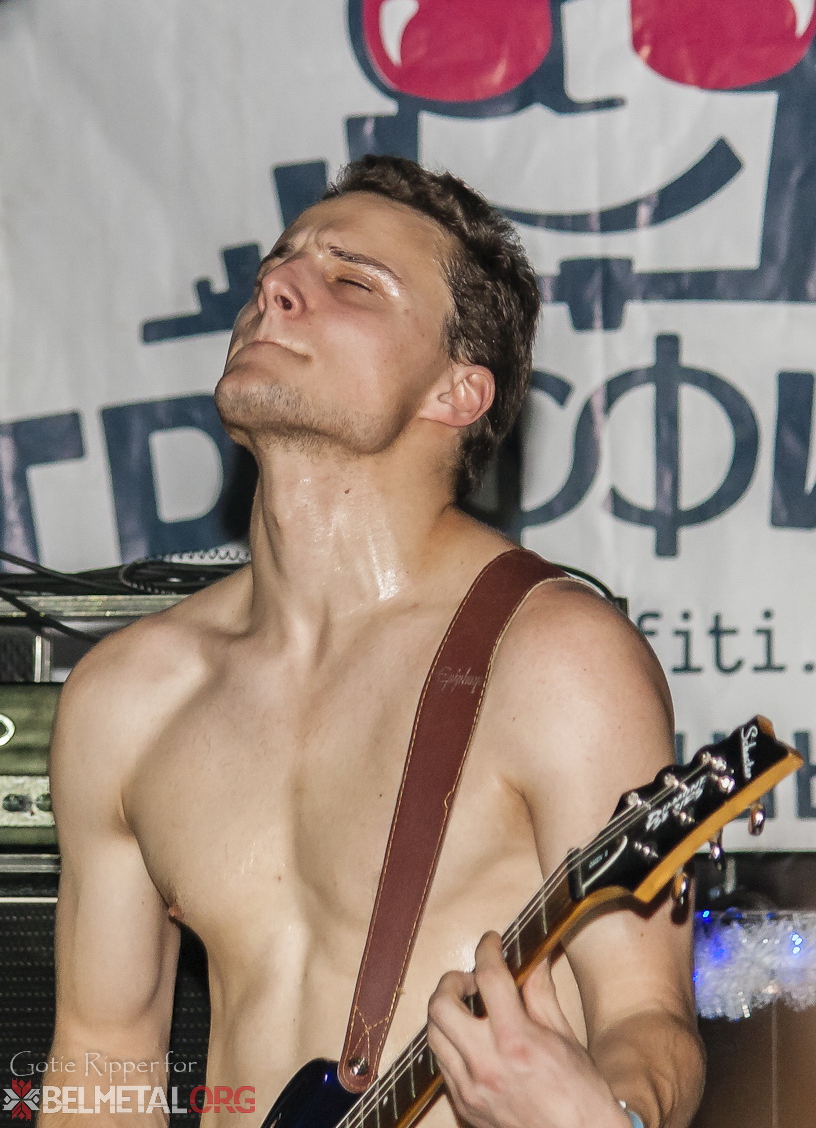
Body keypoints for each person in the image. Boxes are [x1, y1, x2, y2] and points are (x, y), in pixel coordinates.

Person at [44, 156, 705, 1128]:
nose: (276, 286)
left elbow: (649, 1018)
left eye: (352, 282)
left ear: (457, 392)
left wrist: (608, 1115)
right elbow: (101, 1061)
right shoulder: (127, 695)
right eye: (277, 266)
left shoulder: (556, 658)